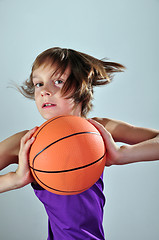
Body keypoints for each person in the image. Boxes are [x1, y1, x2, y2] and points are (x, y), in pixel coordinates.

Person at [0, 47, 159, 240]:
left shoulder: (100, 129)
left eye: (58, 81)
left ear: (82, 87)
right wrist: (14, 180)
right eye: (38, 83)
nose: (44, 91)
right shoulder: (28, 142)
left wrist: (123, 154)